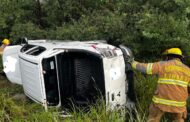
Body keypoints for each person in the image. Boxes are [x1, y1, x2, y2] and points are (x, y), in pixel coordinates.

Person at [131, 48, 190, 122]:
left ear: (168, 56)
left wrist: (132, 62)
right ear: (180, 58)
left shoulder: (163, 65)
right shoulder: (188, 70)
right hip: (179, 103)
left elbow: (145, 68)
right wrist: (183, 99)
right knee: (179, 119)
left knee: (153, 118)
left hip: (160, 102)